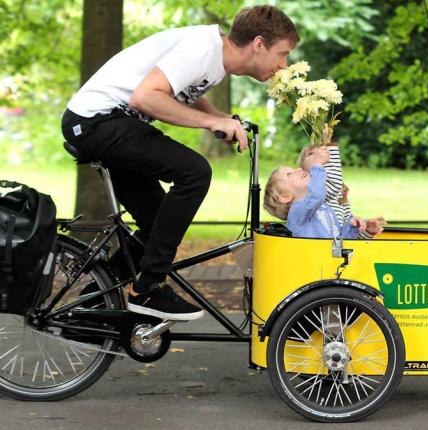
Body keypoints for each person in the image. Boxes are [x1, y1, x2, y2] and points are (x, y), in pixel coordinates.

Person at [60, 6, 299, 321]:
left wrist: (220, 119)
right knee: (195, 172)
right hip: (96, 122)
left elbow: (185, 90)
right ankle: (148, 288)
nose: (284, 65)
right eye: (282, 54)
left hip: (112, 124)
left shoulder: (215, 57)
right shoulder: (202, 49)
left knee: (159, 223)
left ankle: (88, 310)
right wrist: (207, 123)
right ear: (258, 44)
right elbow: (145, 97)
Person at [264, 147, 372, 239]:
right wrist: (317, 165)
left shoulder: (324, 208)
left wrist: (352, 227)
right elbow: (316, 196)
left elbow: (339, 239)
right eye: (289, 174)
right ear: (285, 197)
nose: (299, 169)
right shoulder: (295, 213)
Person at [296, 130, 385, 238]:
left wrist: (364, 230)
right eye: (311, 154)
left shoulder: (340, 200)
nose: (320, 157)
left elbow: (347, 237)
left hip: (332, 252)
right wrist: (329, 145)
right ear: (305, 173)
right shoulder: (310, 193)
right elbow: (333, 183)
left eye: (323, 155)